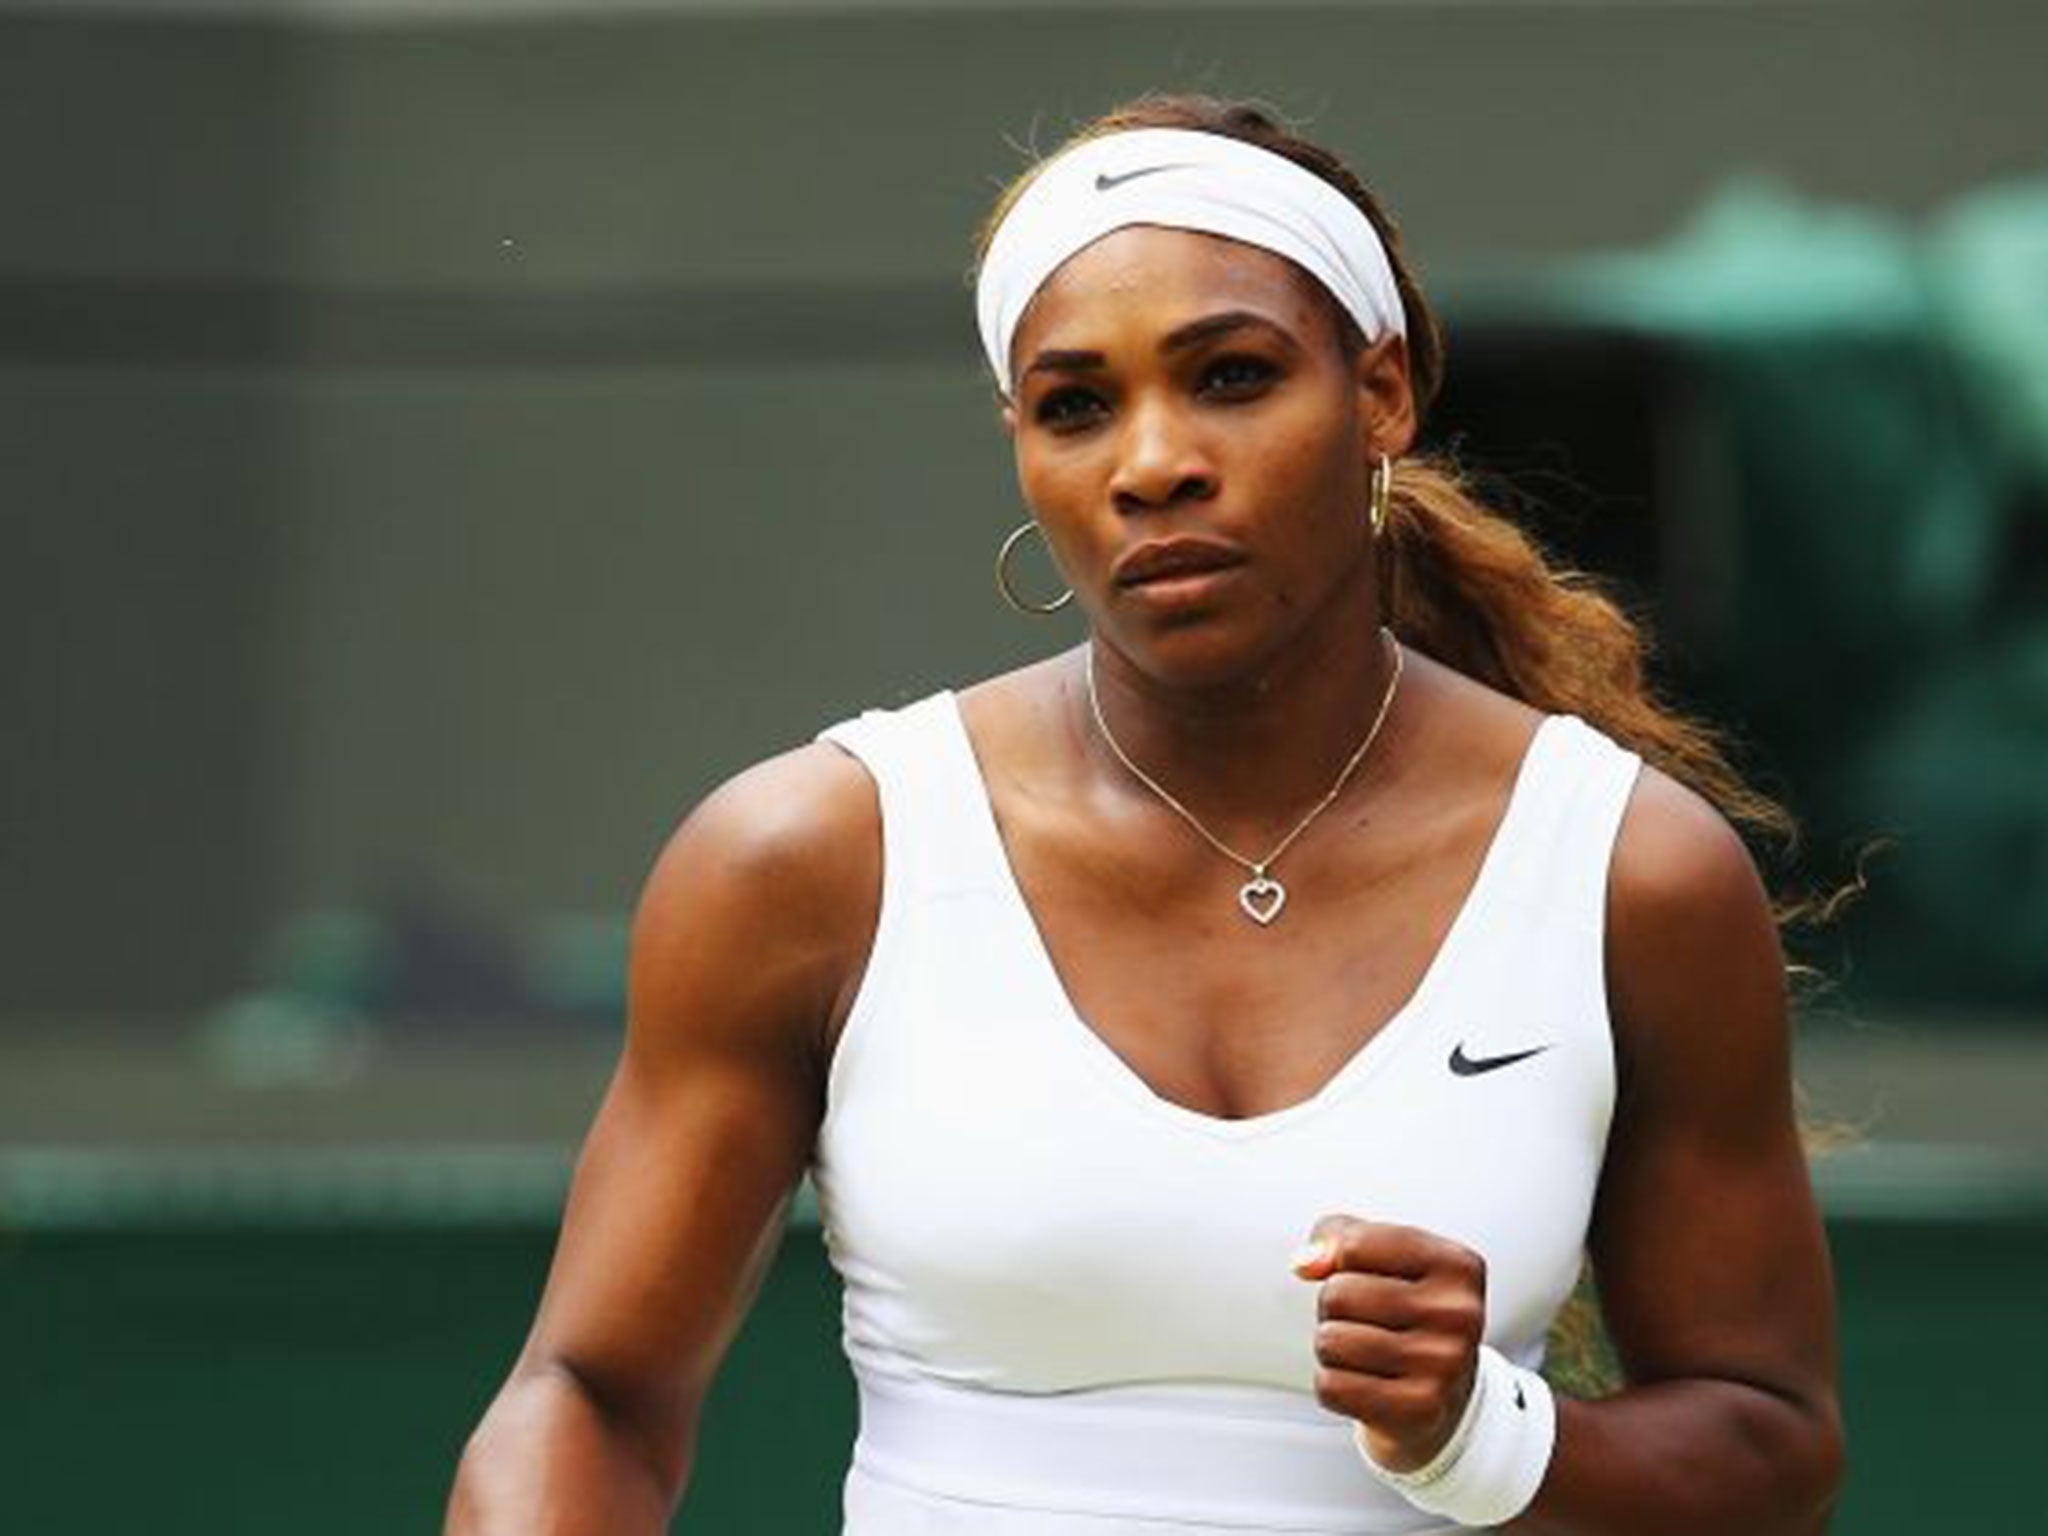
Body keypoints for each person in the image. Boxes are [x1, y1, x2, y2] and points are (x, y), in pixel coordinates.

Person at [445, 94, 1843, 1535]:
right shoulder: (810, 858)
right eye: (1076, 405)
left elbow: (1769, 1443)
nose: (1151, 461)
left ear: (1380, 398)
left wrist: (1481, 1435)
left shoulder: (1633, 871)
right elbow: (589, 1397)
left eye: (1231, 377)